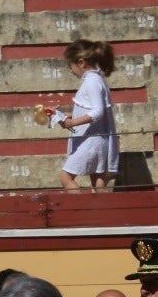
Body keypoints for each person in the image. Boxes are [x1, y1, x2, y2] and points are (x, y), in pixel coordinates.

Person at [34, 39, 118, 192]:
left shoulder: (92, 82)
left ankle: (83, 210)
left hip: (91, 141)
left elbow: (98, 111)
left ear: (81, 63)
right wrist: (72, 115)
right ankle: (105, 213)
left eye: (70, 66)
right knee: (99, 182)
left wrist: (72, 123)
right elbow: (94, 109)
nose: (70, 71)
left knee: (65, 178)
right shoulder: (97, 80)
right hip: (98, 139)